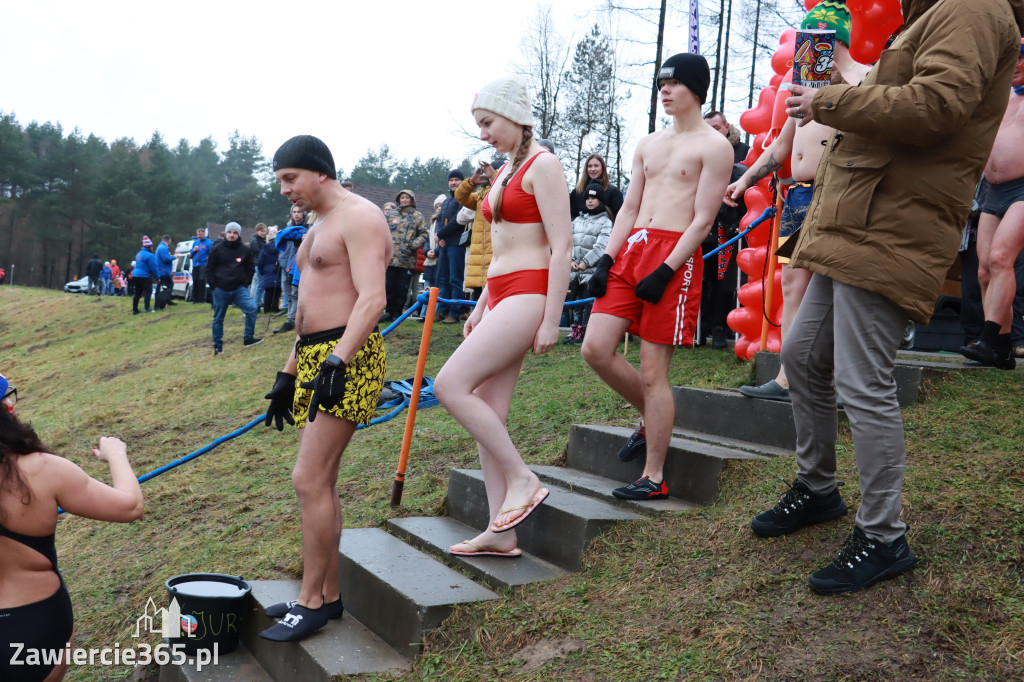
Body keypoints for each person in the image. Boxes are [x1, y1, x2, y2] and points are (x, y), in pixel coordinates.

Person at [760, 0, 1021, 595]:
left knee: (862, 380)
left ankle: (883, 536)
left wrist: (825, 101)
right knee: (800, 357)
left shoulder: (973, 7)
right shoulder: (933, 14)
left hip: (891, 223)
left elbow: (937, 106)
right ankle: (818, 488)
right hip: (853, 220)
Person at [581, 53, 733, 500]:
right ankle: (651, 419)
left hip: (676, 255)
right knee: (594, 348)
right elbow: (628, 207)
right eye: (661, 83)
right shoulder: (648, 143)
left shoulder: (714, 146)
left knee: (653, 374)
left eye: (674, 83)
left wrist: (668, 270)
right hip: (633, 248)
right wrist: (607, 260)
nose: (664, 90)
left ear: (696, 91)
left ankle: (653, 477)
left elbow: (703, 219)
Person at [434, 76, 571, 558]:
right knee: (488, 416)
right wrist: (480, 305)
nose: (483, 134)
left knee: (449, 385)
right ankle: (501, 529)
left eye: (488, 122)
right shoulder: (508, 169)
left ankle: (522, 478)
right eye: (480, 125)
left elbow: (561, 246)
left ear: (514, 114)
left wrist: (552, 318)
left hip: (530, 293)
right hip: (501, 293)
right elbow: (501, 250)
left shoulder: (544, 164)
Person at [260, 135, 389, 642]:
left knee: (308, 479)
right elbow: (312, 305)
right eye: (281, 183)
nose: (286, 191)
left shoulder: (360, 217)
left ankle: (310, 601)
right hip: (318, 354)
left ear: (319, 172)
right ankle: (328, 596)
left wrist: (338, 359)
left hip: (348, 357)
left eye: (290, 179)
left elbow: (372, 299)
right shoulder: (318, 223)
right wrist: (289, 370)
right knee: (322, 481)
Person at [728, 3, 869, 395]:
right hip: (798, 197)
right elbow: (780, 147)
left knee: (836, 289)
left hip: (838, 194)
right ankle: (788, 377)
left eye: (814, 35)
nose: (807, 42)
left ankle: (840, 380)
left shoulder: (865, 77)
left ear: (834, 36)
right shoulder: (804, 80)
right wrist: (746, 180)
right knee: (792, 282)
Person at [0, 372, 143, 682]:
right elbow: (130, 506)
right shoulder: (41, 469)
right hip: (34, 621)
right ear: (5, 409)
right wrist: (116, 454)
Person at [960, 40, 1024, 369]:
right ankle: (1001, 349)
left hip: (1022, 189)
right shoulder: (1001, 96)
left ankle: (987, 337)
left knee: (1001, 258)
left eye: (1020, 60)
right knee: (985, 270)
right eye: (1010, 61)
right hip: (991, 189)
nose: (1014, 66)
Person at [565, 181, 614, 344]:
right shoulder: (577, 220)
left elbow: (602, 246)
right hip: (576, 272)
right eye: (588, 197)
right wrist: (571, 260)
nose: (590, 201)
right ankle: (575, 331)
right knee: (576, 303)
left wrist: (587, 262)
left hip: (592, 272)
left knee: (588, 304)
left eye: (594, 197)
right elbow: (569, 240)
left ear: (600, 200)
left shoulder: (606, 222)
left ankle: (587, 332)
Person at [206, 222, 261, 355]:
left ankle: (248, 338)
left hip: (239, 289)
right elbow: (209, 269)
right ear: (226, 233)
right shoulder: (216, 249)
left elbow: (250, 268)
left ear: (238, 234)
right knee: (218, 318)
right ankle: (218, 346)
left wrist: (245, 283)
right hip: (220, 289)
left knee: (252, 308)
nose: (232, 235)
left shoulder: (245, 250)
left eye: (235, 233)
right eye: (230, 232)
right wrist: (214, 286)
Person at [456, 160, 500, 301]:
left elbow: (506, 192)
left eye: (492, 171)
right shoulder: (480, 196)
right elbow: (461, 197)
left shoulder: (505, 191)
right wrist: (471, 184)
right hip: (478, 255)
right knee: (478, 293)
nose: (487, 175)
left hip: (496, 249)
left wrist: (495, 178)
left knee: (494, 291)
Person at [382, 190, 427, 322]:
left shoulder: (418, 216)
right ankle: (388, 312)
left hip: (407, 258)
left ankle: (398, 313)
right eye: (402, 198)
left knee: (402, 287)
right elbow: (381, 229)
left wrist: (413, 245)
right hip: (391, 257)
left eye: (407, 198)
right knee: (388, 285)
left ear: (412, 200)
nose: (404, 200)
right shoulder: (390, 215)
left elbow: (423, 233)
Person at [436, 169, 469, 323]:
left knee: (455, 279)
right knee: (443, 279)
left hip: (456, 244)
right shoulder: (447, 201)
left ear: (462, 182)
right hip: (443, 245)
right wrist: (438, 236)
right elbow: (439, 220)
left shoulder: (463, 199)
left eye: (456, 179)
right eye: (451, 180)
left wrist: (441, 234)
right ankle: (442, 310)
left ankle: (455, 313)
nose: (453, 182)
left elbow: (457, 221)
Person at [273, 207, 308, 334]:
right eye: (294, 212)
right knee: (289, 295)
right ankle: (292, 319)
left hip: (298, 266)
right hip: (285, 265)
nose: (297, 214)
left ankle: (291, 321)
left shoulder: (306, 228)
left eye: (299, 212)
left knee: (295, 294)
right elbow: (284, 249)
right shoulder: (288, 229)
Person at [568, 154, 624, 220]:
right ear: (586, 169)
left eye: (596, 166)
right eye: (590, 166)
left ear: (602, 168)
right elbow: (570, 216)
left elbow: (619, 218)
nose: (593, 169)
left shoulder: (614, 192)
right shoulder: (577, 192)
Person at [131, 236, 159, 315]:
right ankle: (147, 308)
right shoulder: (150, 255)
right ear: (149, 247)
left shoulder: (138, 254)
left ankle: (134, 310)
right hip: (144, 276)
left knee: (137, 293)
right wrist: (157, 278)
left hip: (135, 275)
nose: (152, 248)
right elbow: (154, 268)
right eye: (152, 246)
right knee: (148, 291)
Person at [258, 225, 282, 314]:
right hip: (277, 271)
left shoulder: (264, 249)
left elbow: (260, 262)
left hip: (267, 272)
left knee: (268, 292)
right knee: (276, 291)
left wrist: (262, 271)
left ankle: (266, 308)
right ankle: (275, 307)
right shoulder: (280, 248)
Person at [190, 228, 214, 303]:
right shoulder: (195, 242)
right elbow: (191, 253)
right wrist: (193, 251)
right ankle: (194, 299)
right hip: (195, 264)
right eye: (198, 234)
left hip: (203, 264)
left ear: (204, 234)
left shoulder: (209, 243)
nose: (199, 236)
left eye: (200, 234)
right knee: (195, 281)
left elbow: (212, 254)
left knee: (202, 281)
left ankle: (201, 299)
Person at [249, 223, 269, 305]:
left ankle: (259, 302)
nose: (264, 233)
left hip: (261, 263)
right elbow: (259, 253)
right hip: (259, 264)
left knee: (259, 284)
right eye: (262, 231)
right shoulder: (255, 241)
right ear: (257, 231)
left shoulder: (261, 240)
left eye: (265, 231)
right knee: (259, 285)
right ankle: (256, 304)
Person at [155, 235, 176, 309]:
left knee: (167, 285)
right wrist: (174, 257)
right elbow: (165, 259)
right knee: (164, 287)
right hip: (163, 271)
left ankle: (167, 300)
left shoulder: (160, 247)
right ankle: (161, 303)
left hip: (163, 270)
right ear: (169, 240)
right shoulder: (163, 248)